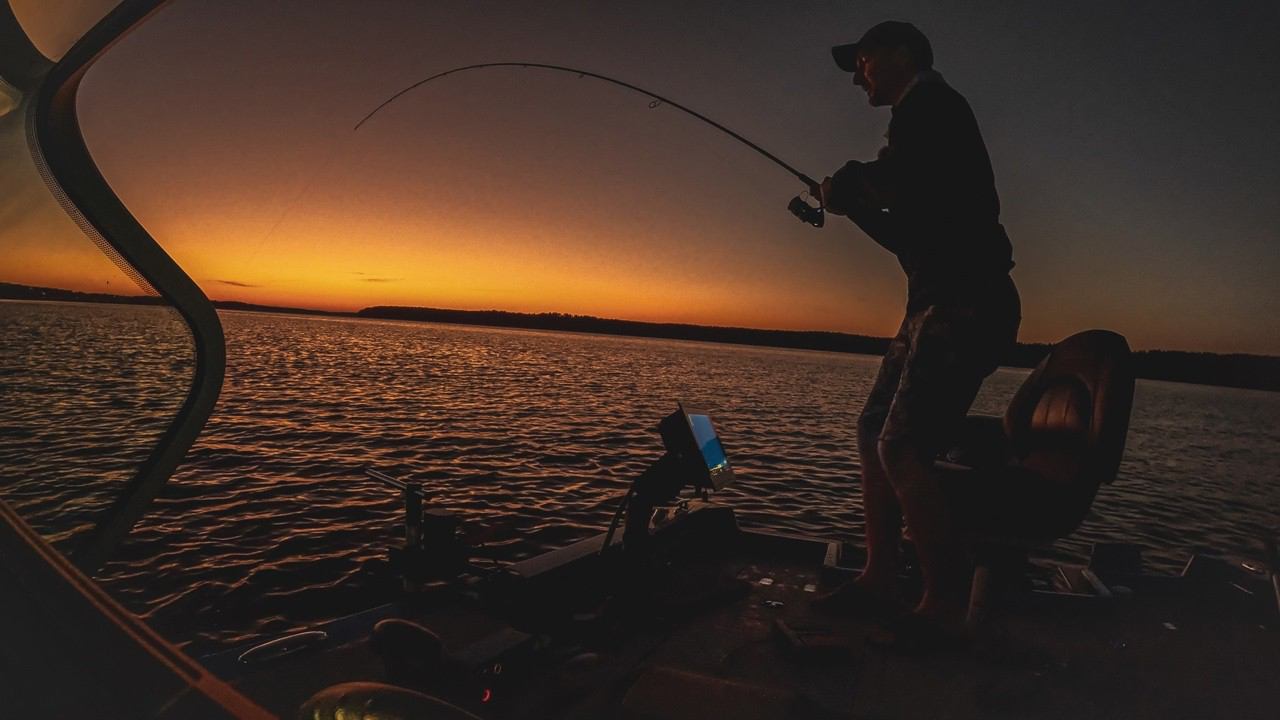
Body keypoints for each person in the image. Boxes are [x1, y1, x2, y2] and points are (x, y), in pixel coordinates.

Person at [813, 21, 1021, 650]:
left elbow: (898, 177)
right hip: (933, 302)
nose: (858, 78)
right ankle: (880, 578)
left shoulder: (931, 106)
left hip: (967, 302)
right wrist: (855, 207)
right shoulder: (922, 123)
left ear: (903, 54)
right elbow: (908, 232)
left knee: (901, 446)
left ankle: (943, 605)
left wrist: (852, 181)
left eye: (864, 61)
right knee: (873, 431)